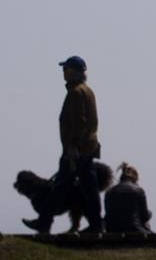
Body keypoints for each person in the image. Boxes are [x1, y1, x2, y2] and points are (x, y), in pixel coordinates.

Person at [24, 55, 104, 234]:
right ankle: (96, 224)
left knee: (61, 186)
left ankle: (44, 222)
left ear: (74, 71)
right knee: (87, 188)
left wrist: (73, 147)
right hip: (88, 148)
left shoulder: (75, 93)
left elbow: (79, 122)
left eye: (66, 69)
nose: (63, 72)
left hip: (76, 150)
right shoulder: (87, 91)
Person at [104, 163, 152, 233]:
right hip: (134, 229)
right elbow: (144, 216)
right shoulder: (138, 190)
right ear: (135, 178)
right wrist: (150, 214)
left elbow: (108, 214)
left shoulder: (109, 192)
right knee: (148, 217)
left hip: (112, 230)